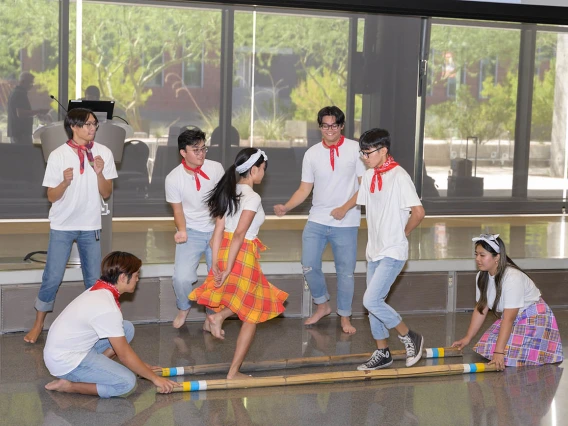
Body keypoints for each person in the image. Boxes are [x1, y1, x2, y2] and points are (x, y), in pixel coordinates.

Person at [189, 148, 288, 379]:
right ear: (253, 170)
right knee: (252, 313)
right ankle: (232, 365)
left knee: (245, 302)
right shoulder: (253, 197)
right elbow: (239, 234)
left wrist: (216, 263)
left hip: (223, 250)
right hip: (241, 253)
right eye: (263, 169)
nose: (264, 174)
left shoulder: (228, 190)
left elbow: (218, 232)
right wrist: (231, 266)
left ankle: (218, 319)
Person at [24, 108, 118, 343]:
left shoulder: (103, 152)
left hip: (91, 225)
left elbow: (106, 193)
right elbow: (51, 197)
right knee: (52, 277)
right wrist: (64, 183)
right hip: (63, 225)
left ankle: (96, 329)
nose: (92, 128)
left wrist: (99, 172)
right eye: (87, 124)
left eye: (94, 124)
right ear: (73, 127)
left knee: (94, 280)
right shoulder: (58, 155)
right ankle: (38, 325)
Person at [274, 106, 365, 334]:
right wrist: (287, 206)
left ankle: (345, 316)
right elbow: (305, 189)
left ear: (342, 126)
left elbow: (365, 187)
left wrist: (345, 208)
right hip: (317, 219)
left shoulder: (356, 150)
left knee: (345, 272)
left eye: (334, 125)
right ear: (320, 127)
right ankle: (322, 304)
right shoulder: (312, 153)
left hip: (347, 220)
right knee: (308, 264)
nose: (330, 130)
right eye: (325, 125)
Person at [43, 251, 177, 397]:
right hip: (66, 362)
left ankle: (100, 368)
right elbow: (124, 354)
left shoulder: (100, 289)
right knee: (126, 383)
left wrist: (143, 367)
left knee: (126, 328)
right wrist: (155, 379)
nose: (138, 279)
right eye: (136, 275)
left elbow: (122, 348)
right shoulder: (107, 308)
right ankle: (70, 386)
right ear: (123, 277)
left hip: (67, 350)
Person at [355, 128, 426, 370]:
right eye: (362, 153)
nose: (365, 157)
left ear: (383, 151)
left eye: (368, 152)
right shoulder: (369, 176)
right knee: (375, 304)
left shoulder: (399, 176)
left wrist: (401, 233)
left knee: (371, 300)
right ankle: (383, 352)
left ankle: (409, 336)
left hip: (393, 251)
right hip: (374, 251)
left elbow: (419, 213)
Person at [452, 234, 563, 369]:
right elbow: (481, 309)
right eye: (476, 254)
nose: (477, 259)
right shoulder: (482, 276)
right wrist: (467, 338)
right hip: (513, 317)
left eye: (482, 255)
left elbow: (508, 319)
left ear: (497, 257)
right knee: (485, 348)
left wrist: (499, 352)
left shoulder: (512, 277)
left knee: (505, 355)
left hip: (535, 318)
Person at [165, 128, 224, 328]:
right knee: (181, 278)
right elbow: (178, 210)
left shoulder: (216, 168)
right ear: (183, 152)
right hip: (190, 231)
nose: (201, 154)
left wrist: (219, 229)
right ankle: (184, 307)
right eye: (196, 150)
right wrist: (181, 230)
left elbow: (223, 202)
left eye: (203, 149)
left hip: (217, 229)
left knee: (217, 276)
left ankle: (212, 315)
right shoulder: (173, 178)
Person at [7, 71, 49, 144]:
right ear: (23, 82)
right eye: (30, 83)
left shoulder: (15, 92)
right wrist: (39, 111)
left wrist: (36, 114)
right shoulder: (19, 94)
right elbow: (20, 113)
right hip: (21, 134)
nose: (32, 85)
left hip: (17, 133)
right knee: (24, 154)